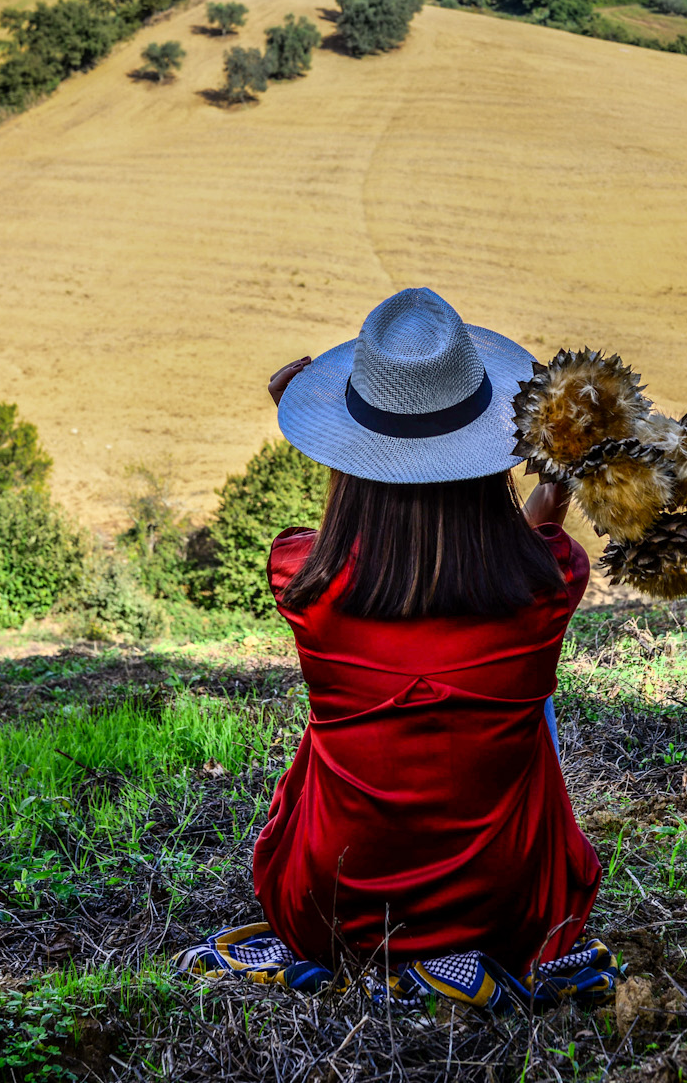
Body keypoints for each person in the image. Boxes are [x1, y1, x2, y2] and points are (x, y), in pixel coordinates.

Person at [249, 287, 601, 979]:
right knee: (528, 691)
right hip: (510, 918)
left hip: (331, 913)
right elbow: (521, 556)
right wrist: (556, 483)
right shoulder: (547, 586)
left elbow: (338, 550)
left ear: (355, 451)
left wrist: (320, 432)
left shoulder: (306, 587)